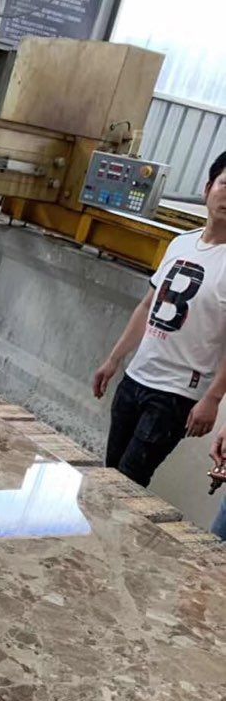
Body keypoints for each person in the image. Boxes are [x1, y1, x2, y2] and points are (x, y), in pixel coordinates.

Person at [93, 150, 226, 488]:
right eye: (225, 185)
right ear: (208, 188)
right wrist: (114, 359)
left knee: (129, 481)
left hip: (175, 394)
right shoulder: (181, 243)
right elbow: (146, 306)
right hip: (136, 377)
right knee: (111, 472)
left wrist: (212, 398)